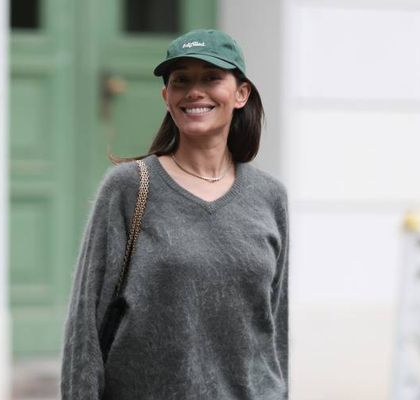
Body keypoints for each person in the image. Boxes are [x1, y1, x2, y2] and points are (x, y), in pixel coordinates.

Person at [61, 29, 289, 400]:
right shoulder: (130, 188)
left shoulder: (270, 197)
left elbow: (274, 332)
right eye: (181, 80)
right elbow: (86, 325)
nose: (195, 91)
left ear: (241, 94)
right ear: (167, 97)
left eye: (211, 78)